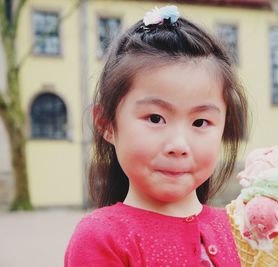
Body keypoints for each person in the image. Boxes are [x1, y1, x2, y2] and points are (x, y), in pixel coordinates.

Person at [64, 5, 248, 267]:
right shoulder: (101, 238)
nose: (178, 145)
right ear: (106, 124)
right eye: (155, 119)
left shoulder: (239, 231)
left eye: (200, 122)